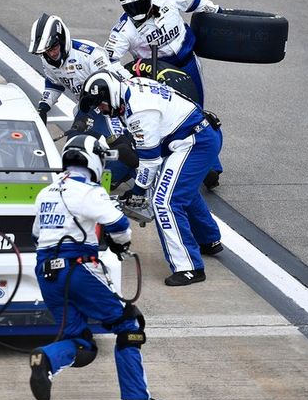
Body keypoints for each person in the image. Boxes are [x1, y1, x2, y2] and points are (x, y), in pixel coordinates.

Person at [29, 134, 166, 400]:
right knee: (129, 325)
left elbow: (35, 235)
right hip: (76, 267)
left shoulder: (46, 193)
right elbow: (118, 223)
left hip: (46, 274)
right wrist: (122, 243)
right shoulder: (90, 191)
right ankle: (136, 399)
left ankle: (46, 359)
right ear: (94, 159)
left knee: (81, 343)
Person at [80, 71, 223, 286]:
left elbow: (150, 161)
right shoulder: (129, 88)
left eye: (100, 105)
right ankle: (209, 239)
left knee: (165, 201)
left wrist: (138, 190)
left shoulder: (140, 111)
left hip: (195, 143)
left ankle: (189, 267)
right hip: (197, 134)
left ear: (108, 96)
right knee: (182, 191)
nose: (101, 110)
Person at [105, 0, 223, 189]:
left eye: (139, 4)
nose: (136, 10)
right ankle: (164, 162)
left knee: (198, 113)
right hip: (159, 76)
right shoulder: (122, 31)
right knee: (170, 118)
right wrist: (130, 79)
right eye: (130, 7)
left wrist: (217, 11)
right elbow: (109, 61)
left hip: (188, 63)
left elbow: (195, 0)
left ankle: (209, 165)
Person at [28, 13, 135, 189]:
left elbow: (112, 86)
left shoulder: (90, 53)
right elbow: (54, 84)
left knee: (117, 144)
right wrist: (43, 107)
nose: (51, 53)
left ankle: (134, 176)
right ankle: (89, 181)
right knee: (75, 148)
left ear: (62, 39)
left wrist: (93, 114)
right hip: (85, 107)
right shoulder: (46, 59)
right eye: (46, 50)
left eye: (53, 47)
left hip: (112, 103)